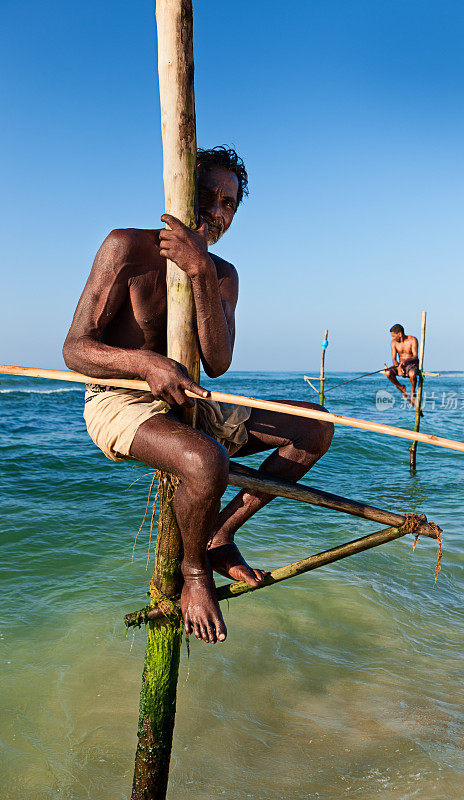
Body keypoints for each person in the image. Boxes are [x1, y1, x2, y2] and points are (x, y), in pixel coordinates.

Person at [63, 146, 333, 645]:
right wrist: (145, 363)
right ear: (179, 190)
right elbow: (75, 349)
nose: (217, 211)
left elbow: (218, 361)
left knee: (315, 427)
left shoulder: (223, 273)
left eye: (228, 203)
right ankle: (194, 573)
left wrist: (201, 271)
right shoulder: (125, 246)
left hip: (190, 396)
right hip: (118, 398)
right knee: (205, 461)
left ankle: (219, 535)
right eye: (206, 195)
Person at [384, 323, 420, 406]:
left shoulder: (412, 340)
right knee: (387, 372)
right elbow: (394, 359)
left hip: (412, 364)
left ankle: (413, 391)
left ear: (399, 334)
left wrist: (406, 362)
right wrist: (398, 367)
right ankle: (401, 387)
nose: (392, 338)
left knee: (412, 374)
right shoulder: (393, 343)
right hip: (400, 365)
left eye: (393, 336)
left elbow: (415, 356)